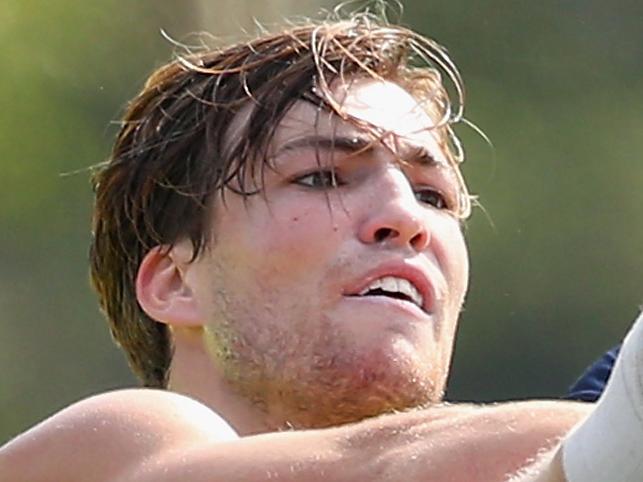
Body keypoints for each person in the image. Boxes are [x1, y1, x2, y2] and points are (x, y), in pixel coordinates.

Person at [0, 7, 638, 482]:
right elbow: (385, 463)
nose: (404, 217)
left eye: (433, 196)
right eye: (321, 177)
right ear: (175, 282)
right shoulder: (102, 454)